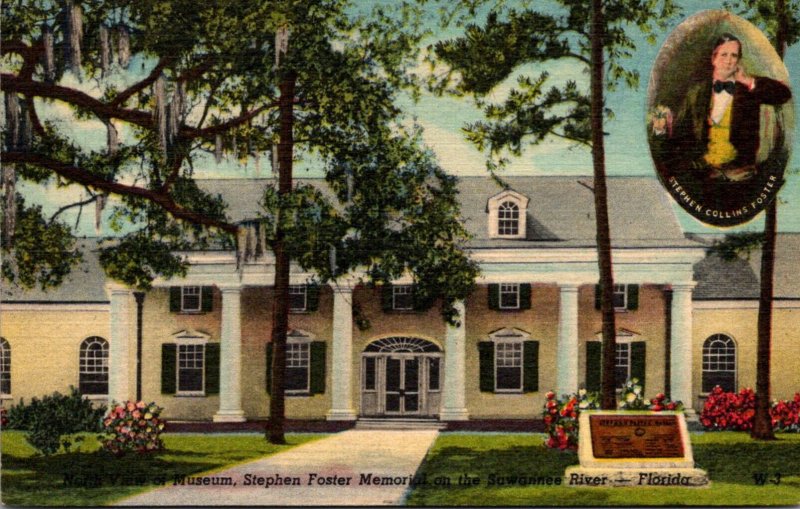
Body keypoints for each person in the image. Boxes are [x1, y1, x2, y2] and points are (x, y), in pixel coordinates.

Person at [652, 33, 791, 183]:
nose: (729, 61)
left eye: (734, 56)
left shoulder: (748, 91)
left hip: (740, 172)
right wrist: (661, 128)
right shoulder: (696, 93)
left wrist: (747, 80)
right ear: (714, 58)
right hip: (703, 171)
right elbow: (681, 134)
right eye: (724, 55)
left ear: (738, 60)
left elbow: (783, 94)